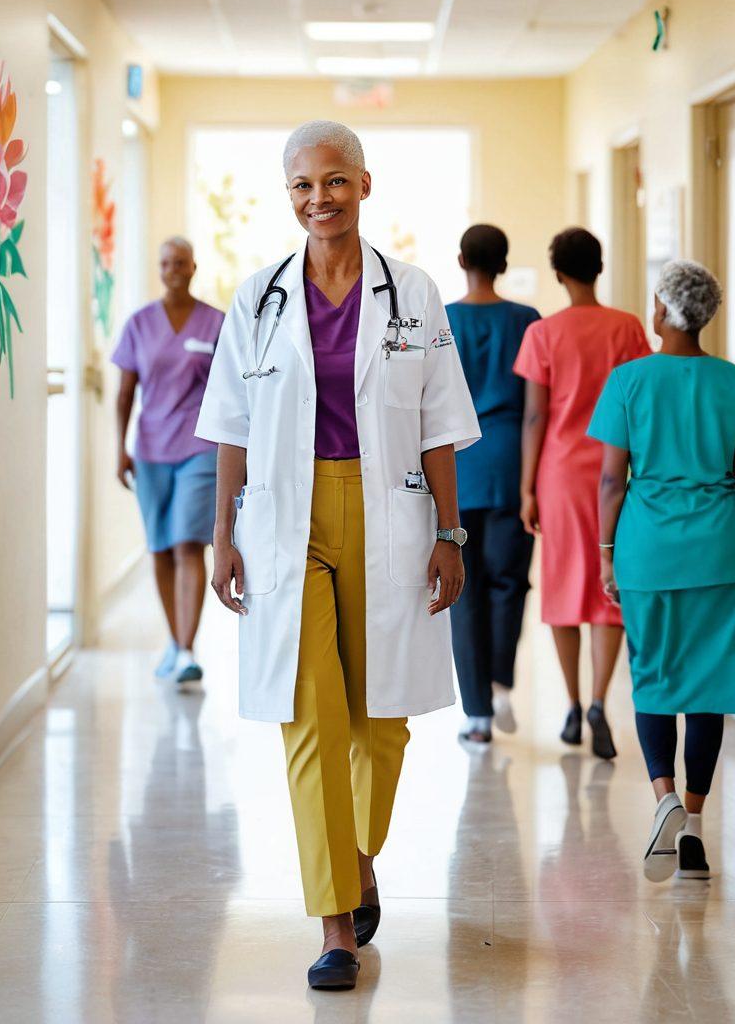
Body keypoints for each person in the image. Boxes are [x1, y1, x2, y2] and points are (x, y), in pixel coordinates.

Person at [195, 120, 479, 990]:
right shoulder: (258, 297)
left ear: (364, 183)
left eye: (333, 182)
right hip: (286, 517)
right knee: (308, 719)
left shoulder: (416, 293)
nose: (319, 199)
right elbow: (232, 428)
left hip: (389, 509)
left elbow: (438, 423)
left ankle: (357, 858)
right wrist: (221, 537)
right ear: (290, 196)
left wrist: (448, 530)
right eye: (302, 187)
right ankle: (335, 927)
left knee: (381, 720)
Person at [589, 260, 735, 881]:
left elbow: (613, 478)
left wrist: (607, 552)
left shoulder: (629, 381)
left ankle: (662, 794)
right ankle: (691, 824)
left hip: (648, 551)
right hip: (718, 550)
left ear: (662, 311)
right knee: (709, 690)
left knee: (655, 678)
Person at [514, 227, 650, 758]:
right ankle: (598, 702)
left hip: (561, 473)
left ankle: (570, 707)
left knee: (564, 585)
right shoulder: (628, 328)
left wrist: (527, 488)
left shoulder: (544, 334)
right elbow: (638, 404)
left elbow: (534, 416)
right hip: (615, 472)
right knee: (608, 583)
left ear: (560, 274)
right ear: (599, 267)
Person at [113, 237, 224, 687]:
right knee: (160, 546)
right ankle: (176, 643)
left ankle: (186, 649)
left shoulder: (216, 322)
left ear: (193, 267)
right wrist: (118, 447)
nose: (172, 270)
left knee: (187, 543)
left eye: (180, 262)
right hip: (151, 449)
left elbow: (232, 392)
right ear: (158, 269)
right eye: (165, 263)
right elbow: (124, 393)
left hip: (200, 447)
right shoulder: (139, 324)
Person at [446, 224, 540, 744]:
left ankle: (477, 713)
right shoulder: (526, 320)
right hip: (511, 462)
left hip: (457, 464)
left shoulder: (441, 319)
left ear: (461, 260)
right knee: (511, 580)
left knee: (467, 588)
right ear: (503, 262)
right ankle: (502, 680)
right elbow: (535, 409)